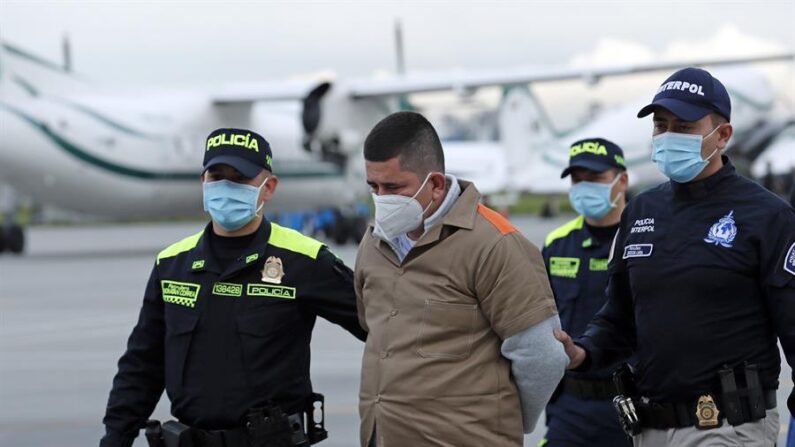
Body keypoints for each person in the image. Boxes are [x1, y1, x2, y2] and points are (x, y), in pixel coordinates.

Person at [555, 67, 795, 446]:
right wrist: (582, 352)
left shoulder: (767, 216)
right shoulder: (640, 211)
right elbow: (619, 319)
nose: (668, 136)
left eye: (683, 127)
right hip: (649, 427)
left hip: (728, 427)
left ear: (723, 135)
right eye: (660, 125)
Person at [100, 128, 366, 447]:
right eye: (217, 176)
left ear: (268, 188)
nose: (226, 186)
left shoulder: (305, 260)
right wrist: (116, 436)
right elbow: (142, 364)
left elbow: (383, 328)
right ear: (203, 182)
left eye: (239, 178)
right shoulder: (172, 265)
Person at [354, 111, 569, 447]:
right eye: (374, 187)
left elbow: (542, 354)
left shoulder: (494, 243)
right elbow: (374, 327)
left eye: (393, 187)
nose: (382, 198)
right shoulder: (374, 243)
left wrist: (504, 418)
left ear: (436, 185)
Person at [540, 138, 631, 447]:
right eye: (578, 180)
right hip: (570, 407)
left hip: (634, 405)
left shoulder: (644, 239)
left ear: (622, 181)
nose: (584, 186)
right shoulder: (557, 244)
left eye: (595, 179)